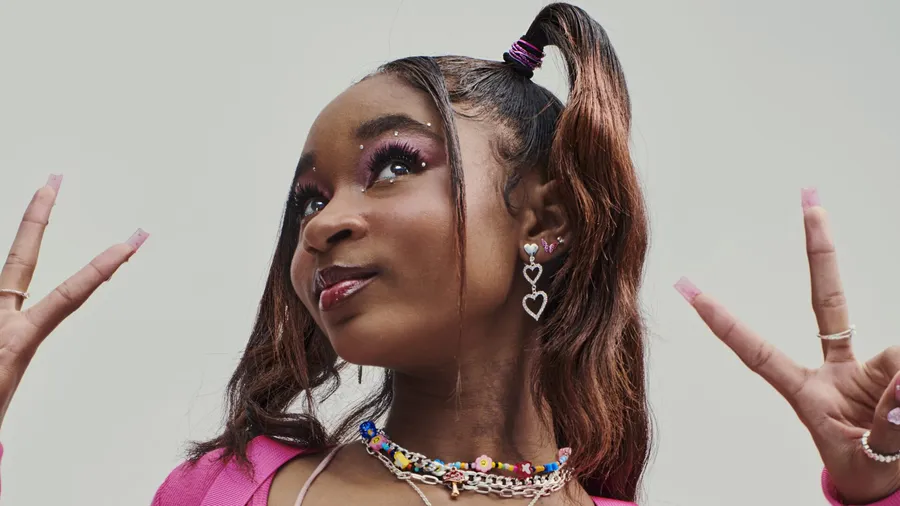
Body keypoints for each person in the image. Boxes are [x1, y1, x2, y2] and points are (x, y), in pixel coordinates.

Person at [1, 3, 899, 505]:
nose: (320, 225)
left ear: (548, 217)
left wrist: (873, 494)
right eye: (309, 198)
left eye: (393, 165)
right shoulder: (230, 490)